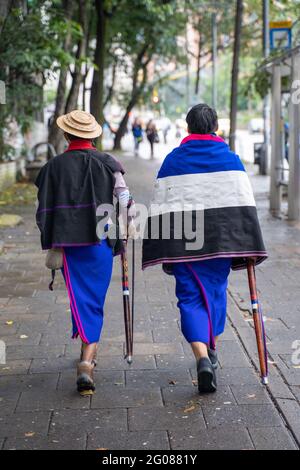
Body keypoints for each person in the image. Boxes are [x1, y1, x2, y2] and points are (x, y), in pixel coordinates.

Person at [142, 104, 267, 394]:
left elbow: (161, 204)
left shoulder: (173, 161)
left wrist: (164, 244)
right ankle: (211, 351)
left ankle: (202, 357)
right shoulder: (231, 159)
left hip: (185, 243)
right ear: (215, 127)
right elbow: (243, 204)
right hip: (221, 242)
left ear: (187, 127)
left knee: (189, 298)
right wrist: (247, 241)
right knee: (215, 293)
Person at [35, 110, 134, 396]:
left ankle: (87, 352)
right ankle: (86, 363)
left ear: (67, 135)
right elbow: (124, 198)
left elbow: (43, 210)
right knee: (93, 301)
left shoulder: (52, 167)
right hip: (99, 243)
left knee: (81, 297)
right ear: (93, 136)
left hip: (68, 247)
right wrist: (128, 221)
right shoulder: (108, 163)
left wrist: (52, 235)